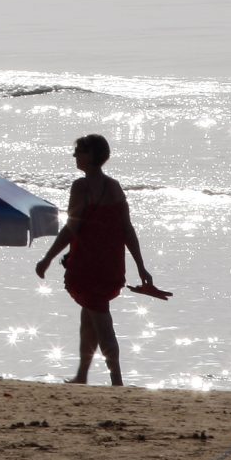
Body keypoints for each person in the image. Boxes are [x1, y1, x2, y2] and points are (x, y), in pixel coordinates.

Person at [35, 133, 154, 386]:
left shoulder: (82, 187)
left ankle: (116, 379)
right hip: (111, 264)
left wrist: (47, 257)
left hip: (88, 265)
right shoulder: (114, 187)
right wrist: (140, 265)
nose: (75, 156)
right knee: (89, 317)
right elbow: (127, 229)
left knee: (100, 319)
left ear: (91, 156)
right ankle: (82, 374)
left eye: (79, 151)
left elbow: (71, 228)